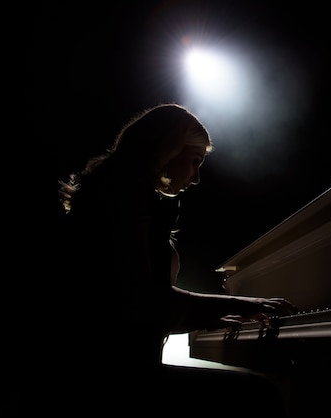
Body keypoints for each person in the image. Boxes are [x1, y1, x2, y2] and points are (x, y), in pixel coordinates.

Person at [56, 104, 297, 416]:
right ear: (167, 148)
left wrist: (203, 318)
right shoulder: (123, 194)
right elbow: (142, 301)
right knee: (260, 396)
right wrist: (244, 303)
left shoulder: (114, 188)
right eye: (195, 161)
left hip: (104, 373)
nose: (196, 177)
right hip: (109, 383)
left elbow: (129, 308)